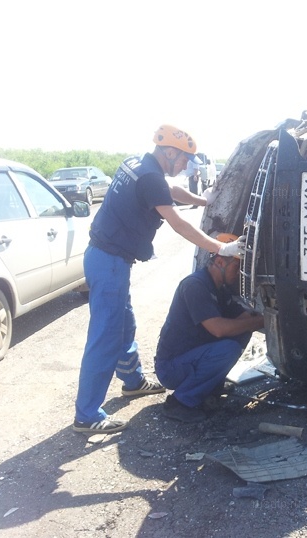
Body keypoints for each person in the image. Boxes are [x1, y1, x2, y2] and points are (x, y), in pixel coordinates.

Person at [73, 125, 245, 435]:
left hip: (107, 258)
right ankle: (87, 415)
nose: (184, 168)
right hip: (109, 261)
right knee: (105, 337)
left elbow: (170, 190)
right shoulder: (151, 176)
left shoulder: (138, 164)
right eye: (183, 161)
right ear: (170, 152)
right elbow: (178, 222)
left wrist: (203, 200)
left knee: (124, 325)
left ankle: (133, 382)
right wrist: (222, 247)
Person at [155, 235, 264, 423]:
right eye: (236, 267)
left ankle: (210, 386)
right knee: (228, 347)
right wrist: (259, 322)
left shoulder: (220, 288)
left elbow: (242, 317)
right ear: (220, 261)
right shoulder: (195, 285)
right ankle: (181, 402)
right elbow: (218, 329)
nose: (238, 273)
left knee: (241, 333)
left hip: (192, 357)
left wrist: (265, 314)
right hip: (171, 367)